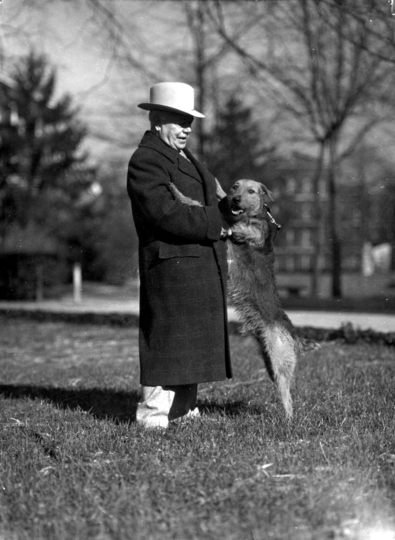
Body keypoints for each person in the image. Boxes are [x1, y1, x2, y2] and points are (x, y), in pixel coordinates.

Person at [127, 82, 232, 429]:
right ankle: (153, 417)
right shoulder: (146, 160)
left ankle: (183, 411)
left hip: (195, 264)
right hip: (170, 267)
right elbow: (165, 213)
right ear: (157, 120)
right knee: (168, 343)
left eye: (190, 121)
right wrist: (218, 223)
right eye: (179, 120)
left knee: (190, 343)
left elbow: (211, 201)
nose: (187, 127)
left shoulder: (185, 158)